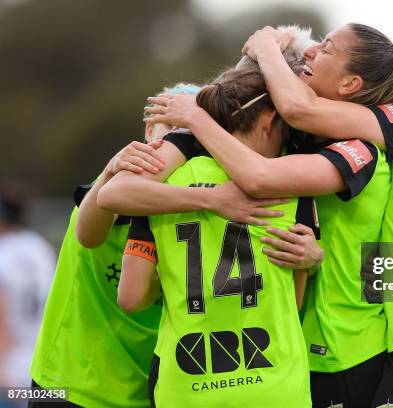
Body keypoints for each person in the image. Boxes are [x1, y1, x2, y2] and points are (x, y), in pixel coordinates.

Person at [144, 23, 393, 407]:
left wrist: (264, 50)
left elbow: (282, 132)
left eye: (327, 49)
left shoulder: (389, 133)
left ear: (353, 84)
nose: (310, 53)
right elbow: (246, 106)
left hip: (379, 351)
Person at [28, 83, 286, 408]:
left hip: (151, 388)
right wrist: (111, 172)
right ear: (150, 129)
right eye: (173, 131)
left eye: (192, 133)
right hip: (70, 385)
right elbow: (89, 233)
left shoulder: (211, 190)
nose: (179, 145)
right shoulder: (127, 178)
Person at [107, 66, 324, 408]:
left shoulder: (163, 183)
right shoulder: (292, 183)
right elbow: (294, 302)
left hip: (186, 383)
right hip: (274, 384)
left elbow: (132, 297)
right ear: (269, 119)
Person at [0, 187, 55, 394]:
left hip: (11, 365)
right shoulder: (39, 246)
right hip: (43, 362)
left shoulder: (3, 252)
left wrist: (2, 369)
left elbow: (2, 313)